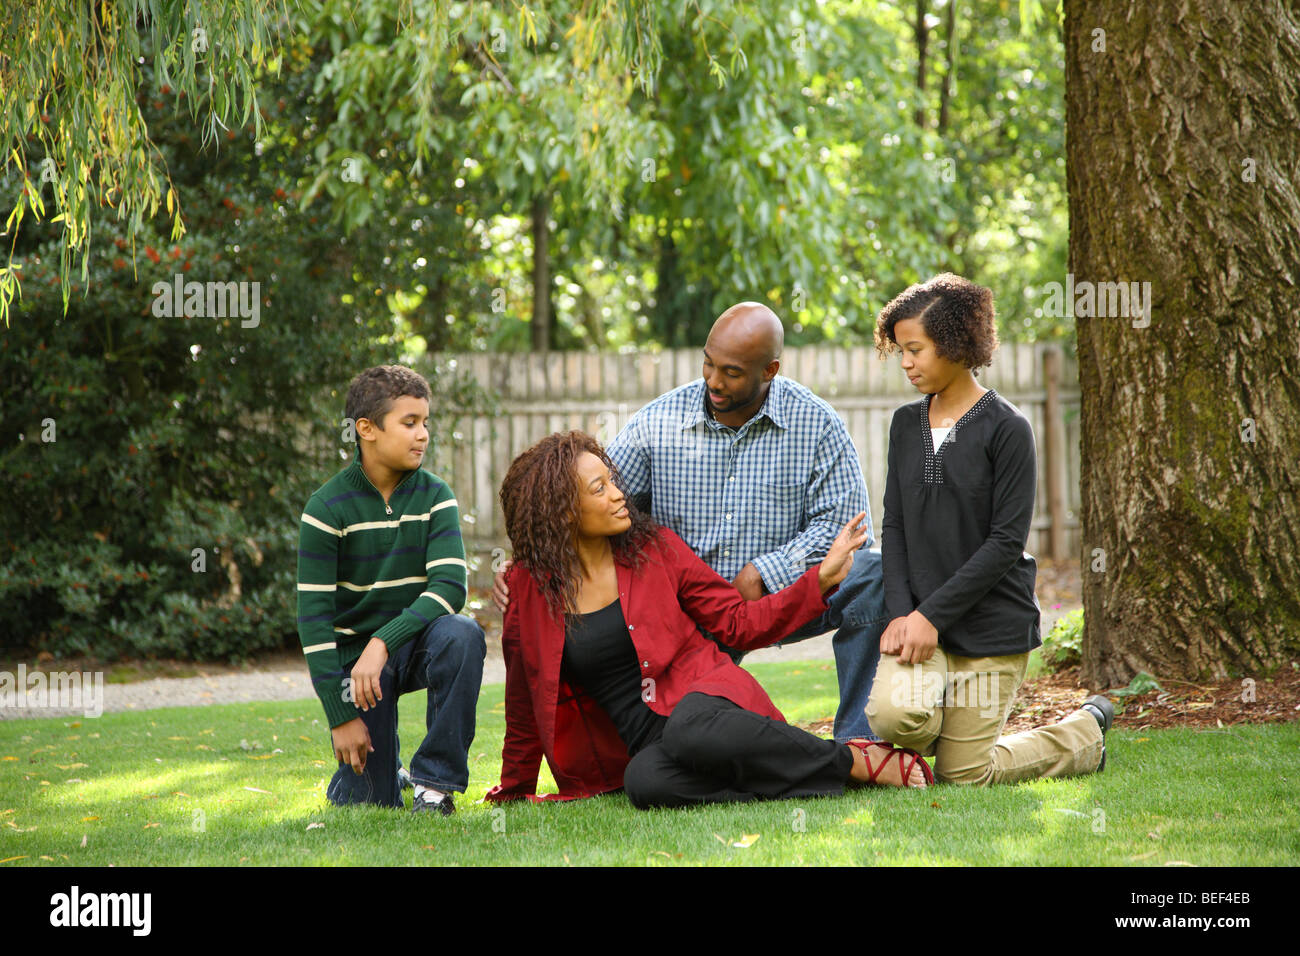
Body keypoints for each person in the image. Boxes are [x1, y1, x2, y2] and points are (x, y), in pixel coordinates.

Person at [493, 302, 886, 743]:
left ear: (770, 369)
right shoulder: (656, 424)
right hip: (686, 609)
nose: (713, 381)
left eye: (732, 372)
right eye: (708, 362)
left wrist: (766, 571)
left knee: (874, 576)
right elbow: (584, 500)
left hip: (785, 597)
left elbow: (845, 529)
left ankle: (859, 741)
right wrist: (523, 567)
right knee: (680, 742)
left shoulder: (817, 424)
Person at [483, 431, 931, 809]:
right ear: (562, 512)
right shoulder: (528, 589)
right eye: (599, 489)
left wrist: (817, 581)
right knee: (646, 784)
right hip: (648, 747)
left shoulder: (654, 548)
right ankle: (786, 771)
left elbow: (739, 623)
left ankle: (854, 761)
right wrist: (514, 789)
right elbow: (525, 697)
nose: (620, 494)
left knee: (688, 729)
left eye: (611, 481)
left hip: (705, 704)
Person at [866, 274, 1113, 785]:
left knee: (964, 777)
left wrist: (930, 616)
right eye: (901, 351)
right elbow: (895, 526)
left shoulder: (1007, 428)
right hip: (921, 627)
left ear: (956, 344)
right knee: (895, 717)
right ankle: (940, 719)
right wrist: (902, 615)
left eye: (915, 349)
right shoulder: (903, 426)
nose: (906, 363)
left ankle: (1086, 732)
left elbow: (1005, 543)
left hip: (990, 627)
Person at [296, 365, 486, 814]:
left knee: (463, 633)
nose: (423, 435)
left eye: (425, 423)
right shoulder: (325, 508)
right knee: (371, 802)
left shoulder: (435, 495)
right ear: (367, 429)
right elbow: (314, 621)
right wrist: (340, 717)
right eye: (409, 423)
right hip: (356, 670)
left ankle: (434, 784)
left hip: (414, 645)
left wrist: (383, 641)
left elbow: (449, 588)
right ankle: (382, 772)